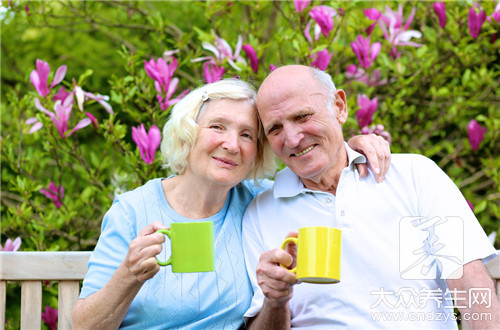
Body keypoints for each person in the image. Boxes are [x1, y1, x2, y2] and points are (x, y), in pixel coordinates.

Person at [72, 78, 390, 329]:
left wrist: (353, 146)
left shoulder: (262, 203)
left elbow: (317, 172)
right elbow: (84, 326)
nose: (231, 145)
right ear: (188, 132)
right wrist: (129, 275)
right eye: (217, 127)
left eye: (247, 135)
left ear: (257, 152)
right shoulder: (133, 210)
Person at [242, 65, 499, 329]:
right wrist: (275, 300)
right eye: (275, 129)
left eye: (303, 116)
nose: (293, 138)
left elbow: (470, 282)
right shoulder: (260, 212)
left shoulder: (413, 176)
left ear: (340, 107)